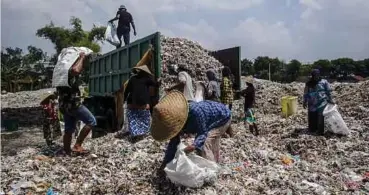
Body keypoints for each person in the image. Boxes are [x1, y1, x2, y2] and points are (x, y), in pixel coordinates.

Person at [151, 91, 234, 171]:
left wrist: (193, 146)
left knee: (206, 144)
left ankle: (212, 171)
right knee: (204, 145)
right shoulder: (174, 124)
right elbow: (173, 143)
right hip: (211, 119)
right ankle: (213, 162)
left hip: (223, 117)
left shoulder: (195, 112)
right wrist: (165, 163)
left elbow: (202, 133)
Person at [57, 53, 97, 155]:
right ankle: (77, 145)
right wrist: (82, 57)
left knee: (69, 129)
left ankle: (66, 150)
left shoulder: (59, 73)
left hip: (65, 106)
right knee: (91, 121)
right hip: (73, 104)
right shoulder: (67, 71)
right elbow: (75, 70)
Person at [123, 65, 160, 142]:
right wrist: (159, 81)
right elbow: (156, 85)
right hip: (143, 103)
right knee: (144, 119)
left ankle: (135, 134)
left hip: (132, 103)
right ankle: (141, 134)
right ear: (146, 73)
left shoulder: (132, 79)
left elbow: (127, 91)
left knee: (133, 119)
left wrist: (124, 100)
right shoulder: (147, 79)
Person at [303, 69, 333, 135]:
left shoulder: (324, 82)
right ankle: (312, 129)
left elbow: (328, 91)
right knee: (312, 116)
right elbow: (306, 93)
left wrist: (330, 100)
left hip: (322, 101)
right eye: (314, 75)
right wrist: (304, 101)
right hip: (312, 103)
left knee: (320, 116)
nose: (316, 76)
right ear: (312, 76)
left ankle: (320, 131)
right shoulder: (309, 83)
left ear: (319, 75)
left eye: (317, 75)